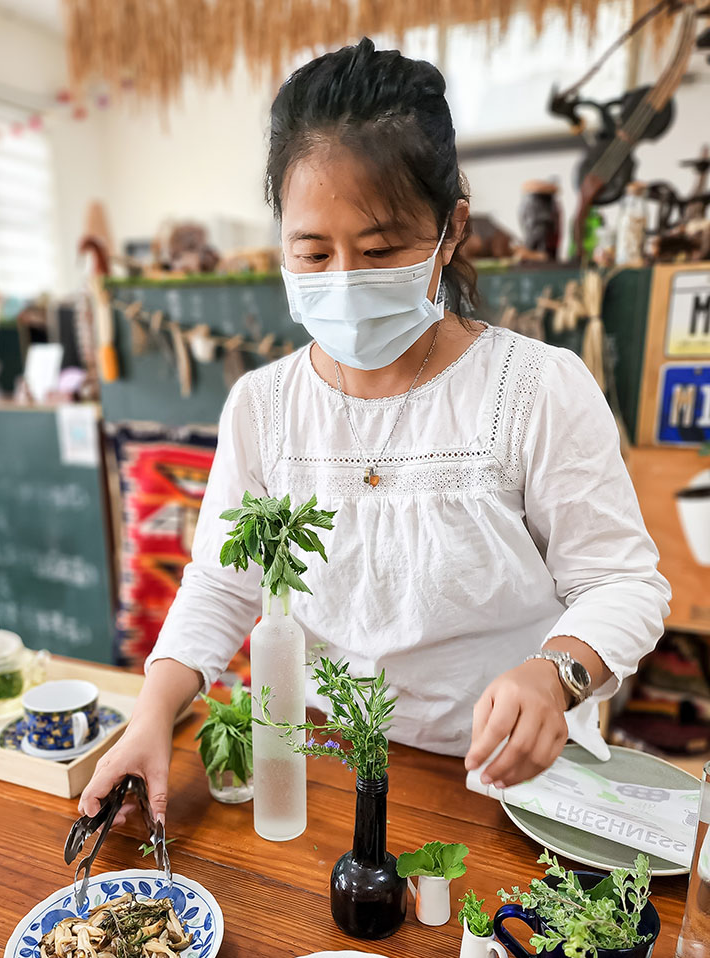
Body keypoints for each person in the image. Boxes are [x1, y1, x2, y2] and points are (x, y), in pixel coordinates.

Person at [80, 37, 670, 827]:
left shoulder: (534, 389)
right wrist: (152, 713)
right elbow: (224, 585)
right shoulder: (263, 407)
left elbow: (622, 581)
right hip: (325, 774)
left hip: (505, 780)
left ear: (451, 229)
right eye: (312, 251)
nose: (344, 282)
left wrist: (556, 673)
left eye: (382, 249)